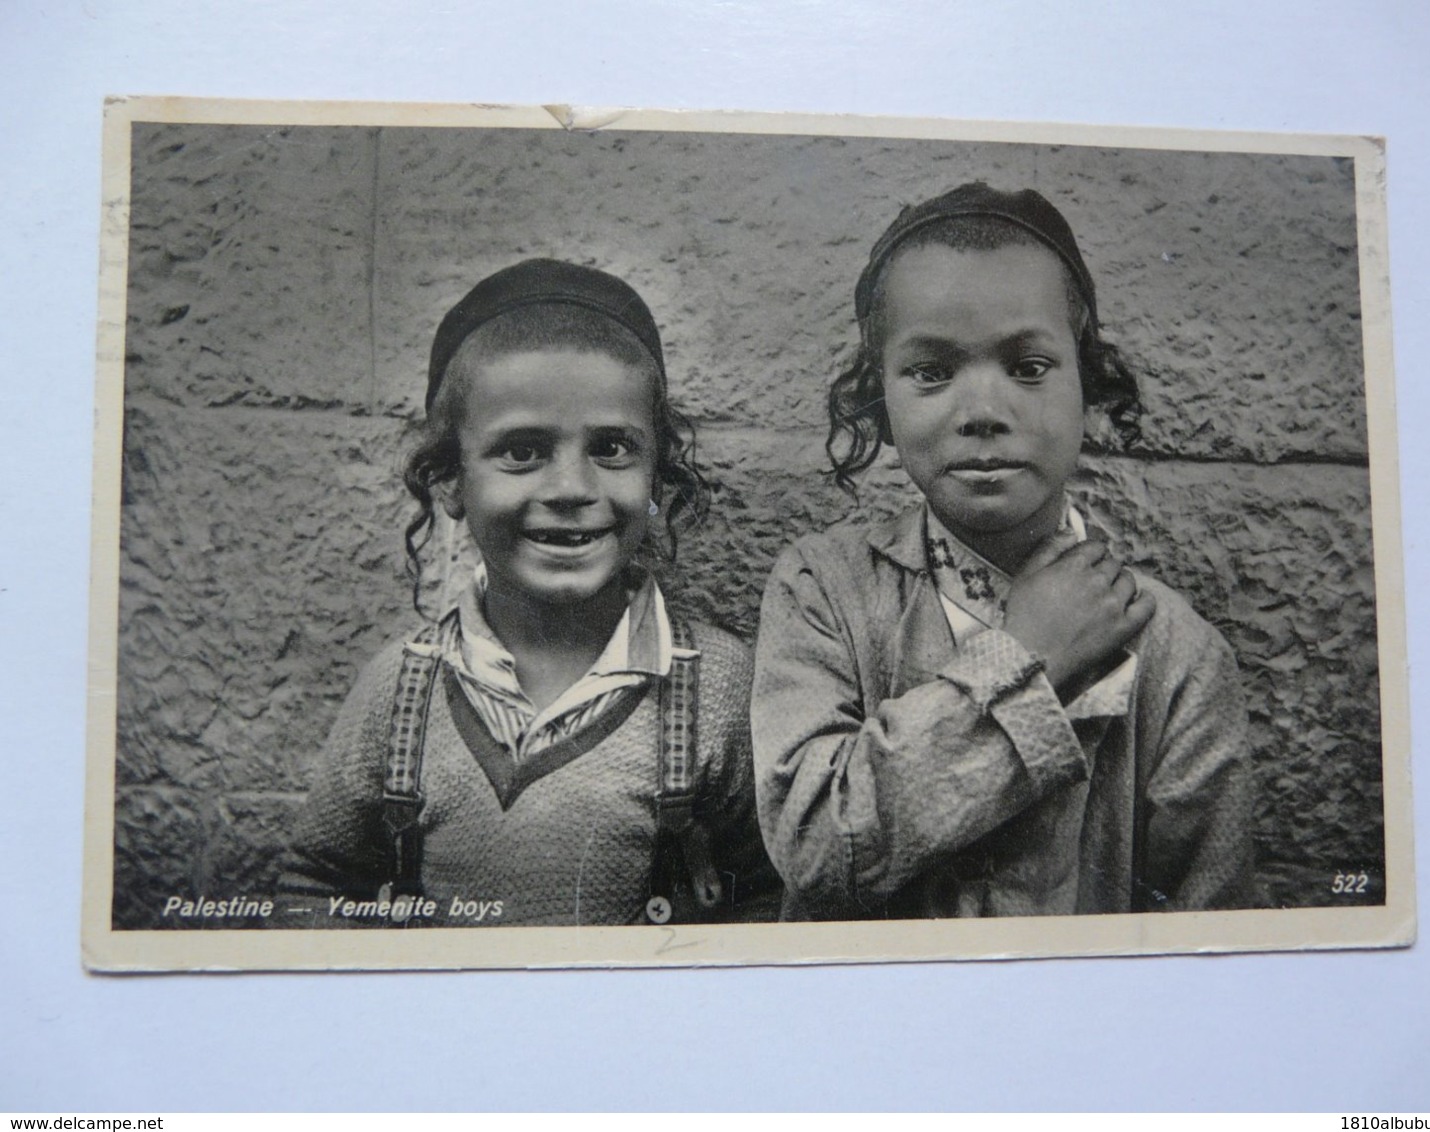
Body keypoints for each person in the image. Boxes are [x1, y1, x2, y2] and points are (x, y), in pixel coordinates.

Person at [752, 183, 1254, 921]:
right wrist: (1026, 659)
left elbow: (1212, 928)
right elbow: (816, 846)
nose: (983, 413)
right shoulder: (823, 590)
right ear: (879, 403)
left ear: (1089, 386)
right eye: (931, 372)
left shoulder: (1176, 651)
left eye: (1027, 367)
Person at [279, 258, 775, 927]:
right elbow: (316, 882)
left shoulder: (719, 689)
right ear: (451, 480)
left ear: (658, 475)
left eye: (611, 449)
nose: (571, 488)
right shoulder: (399, 691)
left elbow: (769, 899)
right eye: (521, 451)